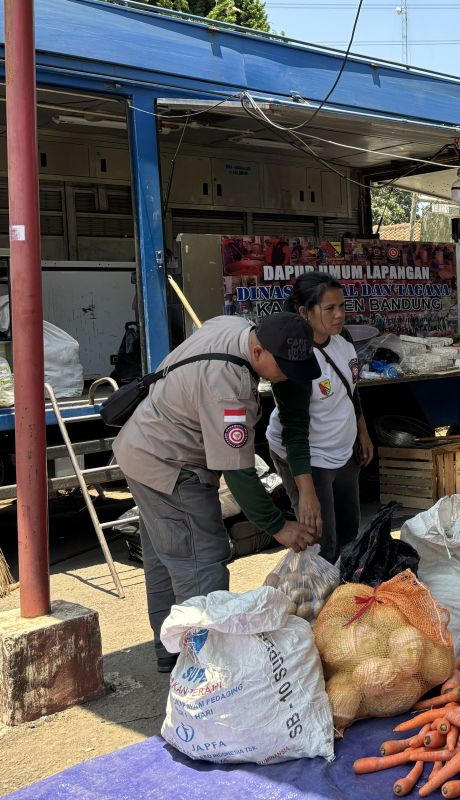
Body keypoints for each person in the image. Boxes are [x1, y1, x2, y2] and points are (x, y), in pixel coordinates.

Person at [113, 313, 321, 671]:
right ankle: (205, 667)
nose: (287, 375)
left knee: (166, 558)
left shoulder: (232, 325)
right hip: (170, 465)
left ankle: (171, 652)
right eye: (283, 367)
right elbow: (238, 473)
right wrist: (278, 527)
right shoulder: (230, 386)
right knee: (202, 560)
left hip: (141, 449)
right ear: (257, 352)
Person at [267, 272, 374, 564]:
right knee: (321, 545)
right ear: (304, 312)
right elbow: (295, 432)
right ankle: (318, 606)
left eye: (342, 306)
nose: (339, 315)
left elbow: (350, 389)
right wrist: (306, 492)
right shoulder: (295, 358)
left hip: (344, 452)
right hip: (308, 458)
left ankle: (345, 599)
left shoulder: (344, 338)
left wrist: (362, 431)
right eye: (329, 309)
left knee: (349, 533)